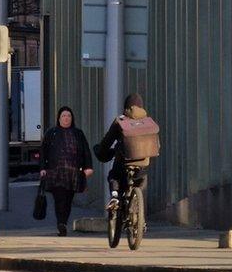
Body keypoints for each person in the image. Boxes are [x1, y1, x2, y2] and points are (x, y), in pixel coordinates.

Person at [39, 106, 93, 236]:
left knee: (68, 199)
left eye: (68, 116)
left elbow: (86, 151)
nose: (66, 118)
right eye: (63, 116)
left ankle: (63, 221)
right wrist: (42, 169)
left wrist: (88, 167)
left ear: (72, 118)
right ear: (59, 118)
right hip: (56, 172)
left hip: (73, 172)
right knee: (59, 198)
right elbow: (43, 152)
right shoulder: (51, 133)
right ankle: (61, 223)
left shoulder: (78, 133)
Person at [94, 93, 153, 210]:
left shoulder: (120, 121)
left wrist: (100, 151)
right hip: (143, 164)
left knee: (113, 175)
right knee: (142, 181)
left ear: (126, 107)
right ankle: (141, 216)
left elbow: (107, 141)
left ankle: (115, 197)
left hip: (123, 162)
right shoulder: (148, 122)